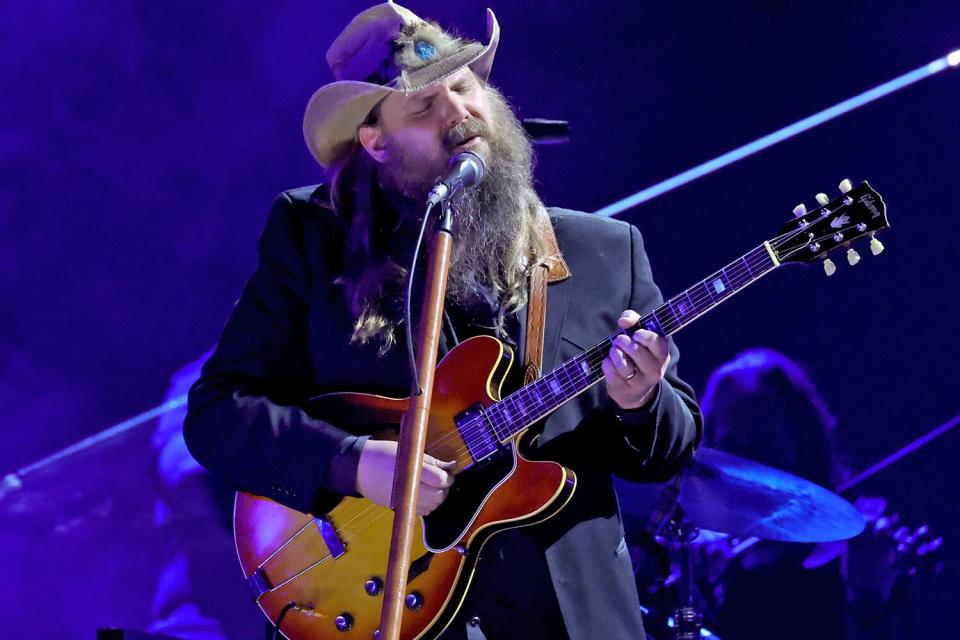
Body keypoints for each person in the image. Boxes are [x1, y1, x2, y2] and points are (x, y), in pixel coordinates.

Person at [183, 3, 702, 639]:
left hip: (567, 619)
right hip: (385, 606)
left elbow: (670, 449)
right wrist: (352, 462)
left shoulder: (603, 250)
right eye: (423, 106)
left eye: (464, 87)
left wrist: (639, 400)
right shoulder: (315, 234)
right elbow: (218, 412)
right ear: (374, 141)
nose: (458, 114)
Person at [698, 348, 925, 639]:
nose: (749, 469)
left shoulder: (853, 533)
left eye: (762, 444)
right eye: (732, 447)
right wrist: (699, 587)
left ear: (801, 441)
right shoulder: (700, 545)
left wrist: (869, 600)